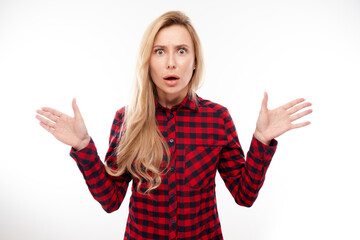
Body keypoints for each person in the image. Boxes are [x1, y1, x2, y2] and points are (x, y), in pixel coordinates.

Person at [35, 11, 312, 240]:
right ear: (148, 61)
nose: (171, 63)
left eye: (181, 51)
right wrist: (83, 147)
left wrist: (262, 140)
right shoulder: (127, 120)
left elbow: (244, 195)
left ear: (194, 61)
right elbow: (110, 200)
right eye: (159, 51)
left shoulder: (218, 119)